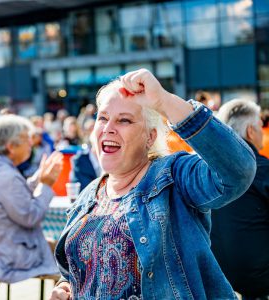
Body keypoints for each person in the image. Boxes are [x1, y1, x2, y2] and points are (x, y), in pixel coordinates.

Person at [50, 69, 256, 300]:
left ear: (150, 137)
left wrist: (164, 101)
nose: (108, 127)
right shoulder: (89, 195)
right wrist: (65, 287)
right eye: (103, 118)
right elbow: (74, 270)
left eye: (124, 120)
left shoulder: (173, 177)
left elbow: (237, 172)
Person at [0, 114, 63, 284]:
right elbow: (31, 216)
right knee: (68, 249)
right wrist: (46, 185)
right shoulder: (5, 176)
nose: (30, 144)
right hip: (6, 258)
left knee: (56, 246)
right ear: (11, 147)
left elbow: (16, 196)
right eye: (27, 139)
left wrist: (38, 179)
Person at [210, 99, 269, 299]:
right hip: (259, 283)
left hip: (218, 280)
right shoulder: (261, 169)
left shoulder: (207, 171)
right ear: (251, 131)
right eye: (260, 127)